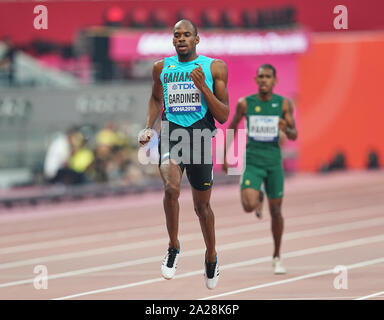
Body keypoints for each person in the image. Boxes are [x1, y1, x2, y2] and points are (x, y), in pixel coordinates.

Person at [139, 19, 229, 289]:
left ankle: (211, 256)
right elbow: (156, 98)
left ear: (196, 39)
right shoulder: (161, 68)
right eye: (176, 35)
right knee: (171, 188)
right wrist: (148, 126)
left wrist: (204, 88)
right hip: (171, 137)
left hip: (200, 139)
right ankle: (173, 246)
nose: (180, 39)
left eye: (186, 35)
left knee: (202, 208)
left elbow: (223, 115)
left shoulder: (214, 67)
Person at [222, 64, 298, 274]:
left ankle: (276, 256)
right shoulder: (246, 104)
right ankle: (258, 197)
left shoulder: (283, 104)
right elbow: (232, 126)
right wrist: (226, 155)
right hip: (253, 162)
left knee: (276, 212)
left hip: (274, 164)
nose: (264, 80)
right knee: (248, 206)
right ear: (256, 80)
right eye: (261, 77)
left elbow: (293, 135)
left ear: (274, 81)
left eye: (268, 77)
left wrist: (287, 129)